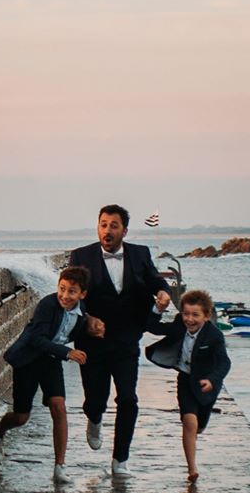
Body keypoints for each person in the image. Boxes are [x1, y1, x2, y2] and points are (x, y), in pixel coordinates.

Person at [65, 204, 171, 475]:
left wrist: (162, 292)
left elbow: (155, 279)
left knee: (128, 399)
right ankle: (94, 418)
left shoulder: (140, 253)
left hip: (127, 340)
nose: (107, 230)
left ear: (124, 230)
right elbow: (70, 297)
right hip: (92, 342)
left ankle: (120, 459)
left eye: (113, 225)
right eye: (103, 224)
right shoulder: (81, 256)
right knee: (95, 401)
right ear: (97, 226)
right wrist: (87, 319)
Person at [0, 265, 92, 483]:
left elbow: (84, 322)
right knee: (21, 416)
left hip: (51, 361)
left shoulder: (82, 311)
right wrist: (68, 352)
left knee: (59, 407)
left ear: (82, 294)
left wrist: (94, 324)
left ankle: (60, 467)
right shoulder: (47, 305)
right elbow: (37, 340)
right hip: (28, 360)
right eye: (61, 288)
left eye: (72, 291)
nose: (64, 295)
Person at [144, 288, 230, 482]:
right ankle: (192, 468)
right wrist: (157, 309)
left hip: (206, 384)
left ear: (207, 316)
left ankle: (197, 431)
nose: (189, 319)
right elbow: (151, 327)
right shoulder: (178, 325)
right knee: (189, 422)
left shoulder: (214, 336)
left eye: (195, 315)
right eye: (186, 314)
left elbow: (225, 363)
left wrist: (213, 380)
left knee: (199, 426)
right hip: (185, 379)